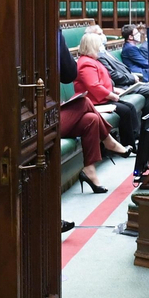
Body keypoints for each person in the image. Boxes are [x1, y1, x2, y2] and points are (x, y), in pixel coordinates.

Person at [58, 29, 131, 196]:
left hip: (50, 110)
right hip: (40, 118)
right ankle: (109, 140)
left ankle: (89, 170)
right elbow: (69, 72)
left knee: (90, 119)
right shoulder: (84, 61)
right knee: (84, 102)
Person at [76, 31, 143, 153]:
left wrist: (113, 90)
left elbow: (104, 81)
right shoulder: (86, 62)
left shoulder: (93, 60)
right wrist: (110, 95)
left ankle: (132, 141)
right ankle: (129, 144)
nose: (101, 47)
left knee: (129, 107)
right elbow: (94, 86)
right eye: (99, 44)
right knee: (126, 110)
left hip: (102, 98)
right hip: (94, 102)